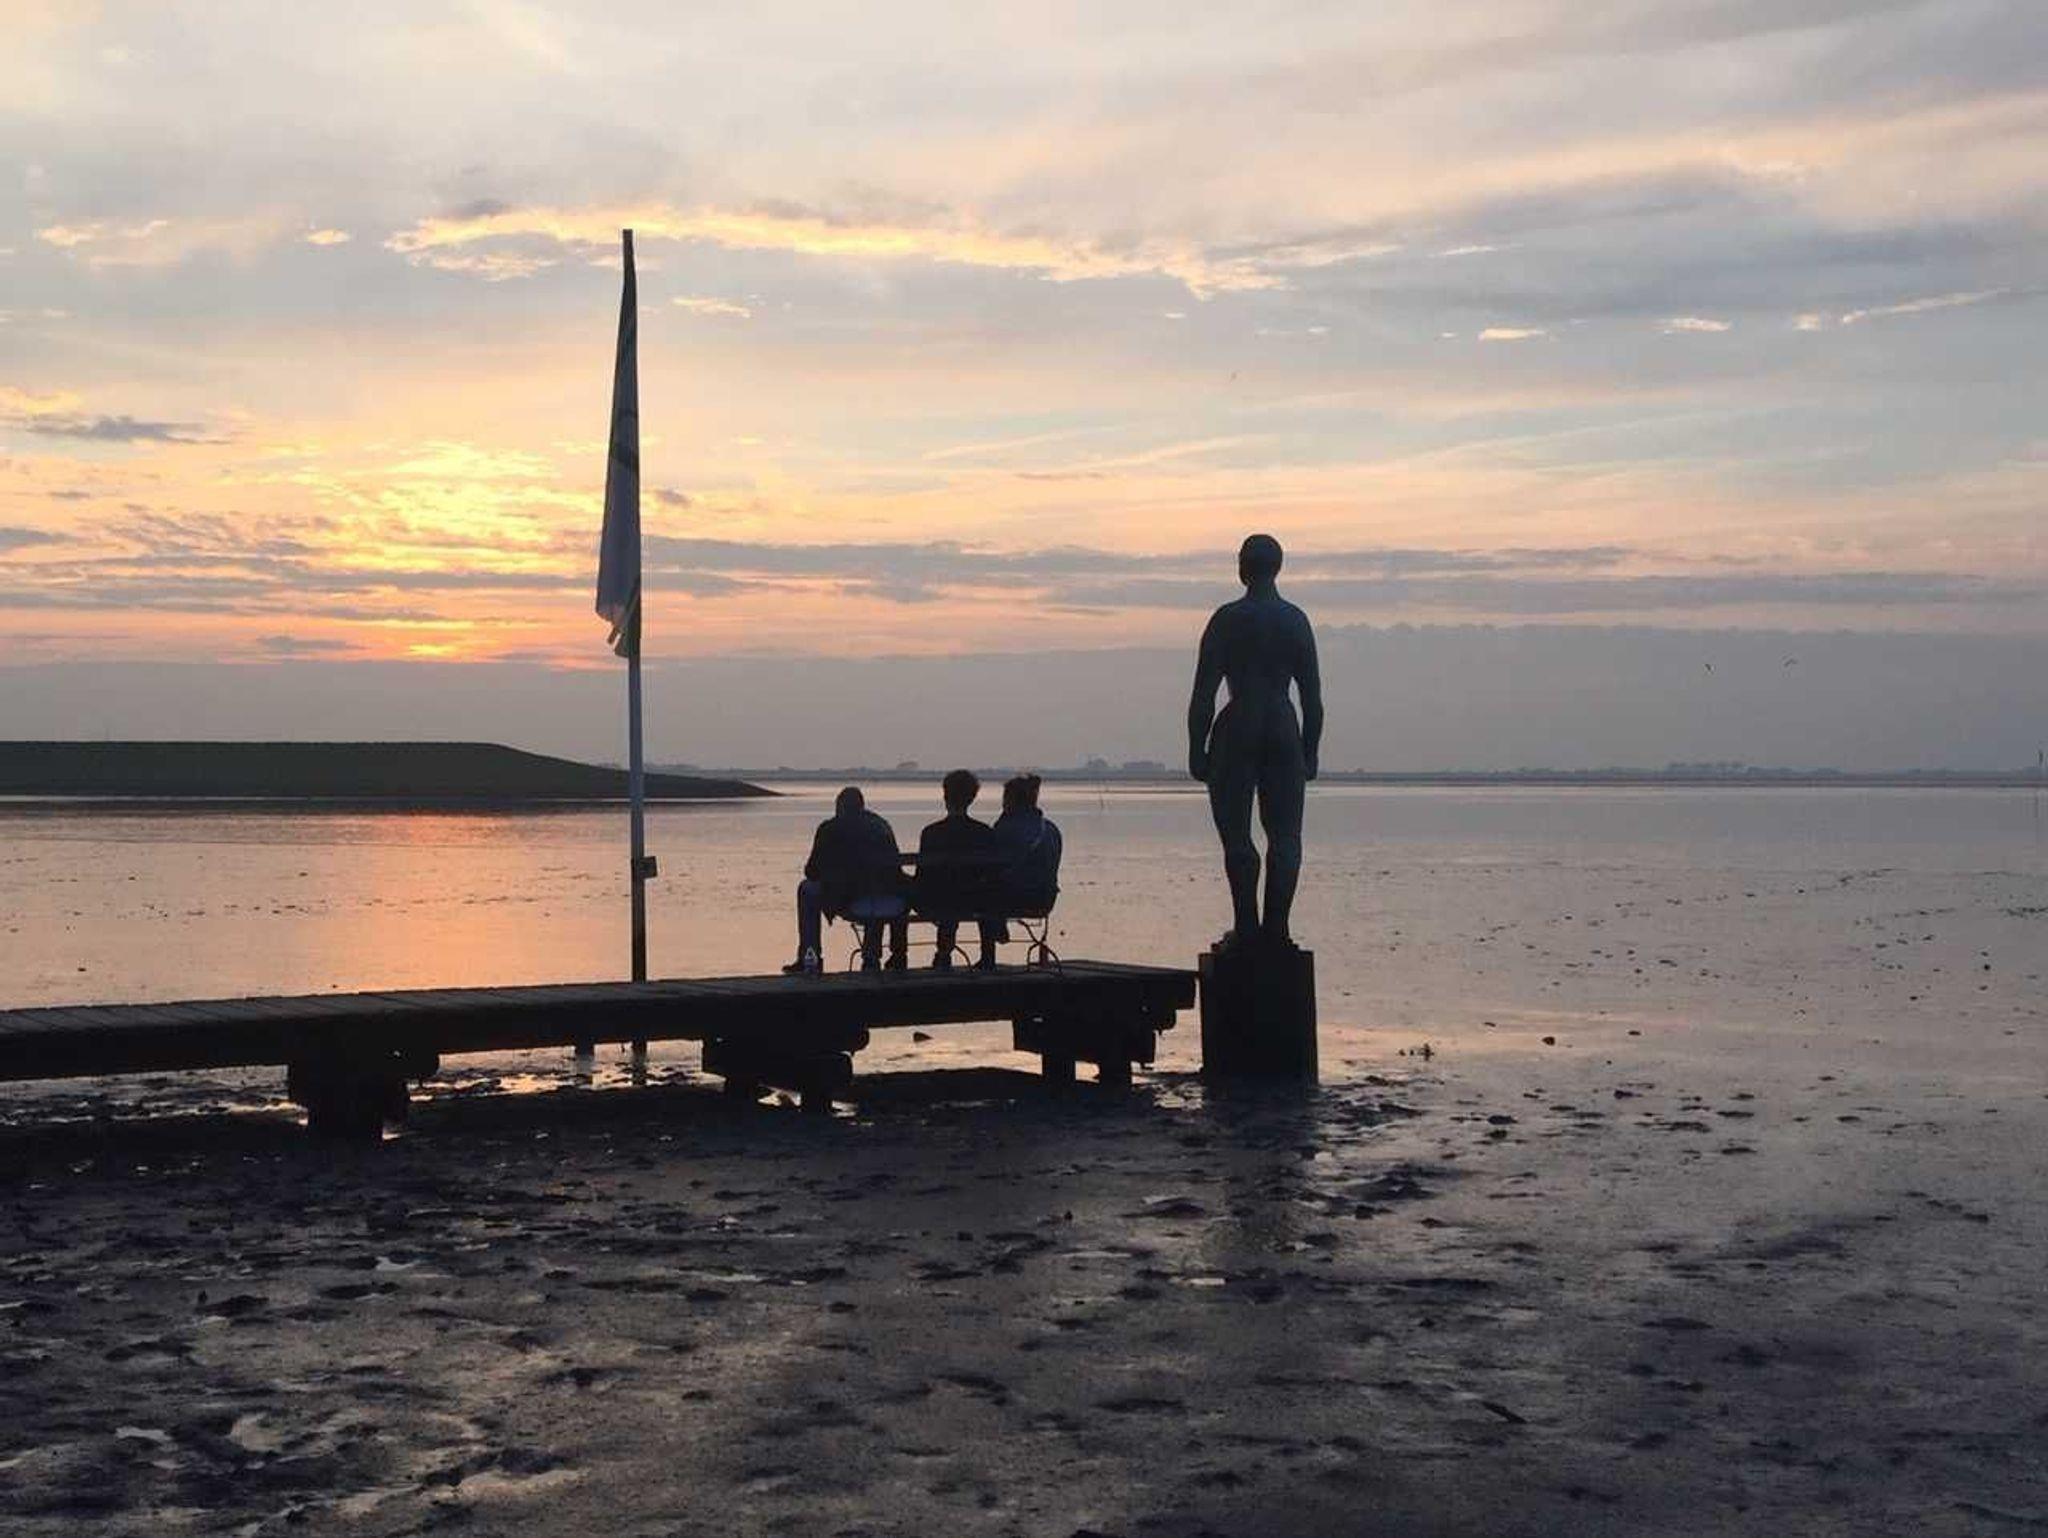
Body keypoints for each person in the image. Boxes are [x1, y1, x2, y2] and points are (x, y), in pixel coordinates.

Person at [1187, 532, 1322, 947]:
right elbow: (1313, 699)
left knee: (1237, 836)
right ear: (1278, 568)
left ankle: (1248, 926)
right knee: (1286, 837)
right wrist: (1310, 750)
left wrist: (1196, 748)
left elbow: (1203, 695)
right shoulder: (1295, 620)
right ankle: (1276, 930)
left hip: (1239, 722)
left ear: (1243, 568)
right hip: (1282, 723)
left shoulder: (1227, 619)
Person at [785, 786, 907, 974]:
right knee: (878, 889)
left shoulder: (829, 828)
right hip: (884, 897)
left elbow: (811, 872)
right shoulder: (881, 826)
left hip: (847, 898)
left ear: (839, 808)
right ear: (862, 806)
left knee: (807, 889)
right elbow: (895, 869)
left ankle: (810, 957)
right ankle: (880, 956)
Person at [911, 769, 1000, 970]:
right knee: (981, 892)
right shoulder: (984, 832)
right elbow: (991, 874)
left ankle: (942, 953)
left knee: (942, 890)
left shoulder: (931, 833)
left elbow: (923, 875)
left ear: (945, 797)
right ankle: (988, 955)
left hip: (937, 899)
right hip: (975, 899)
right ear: (972, 798)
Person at [988, 774, 1062, 965]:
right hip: (1045, 899)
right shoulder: (1051, 829)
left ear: (1010, 800)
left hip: (1011, 898)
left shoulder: (1006, 828)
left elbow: (993, 864)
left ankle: (987, 956)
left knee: (984, 890)